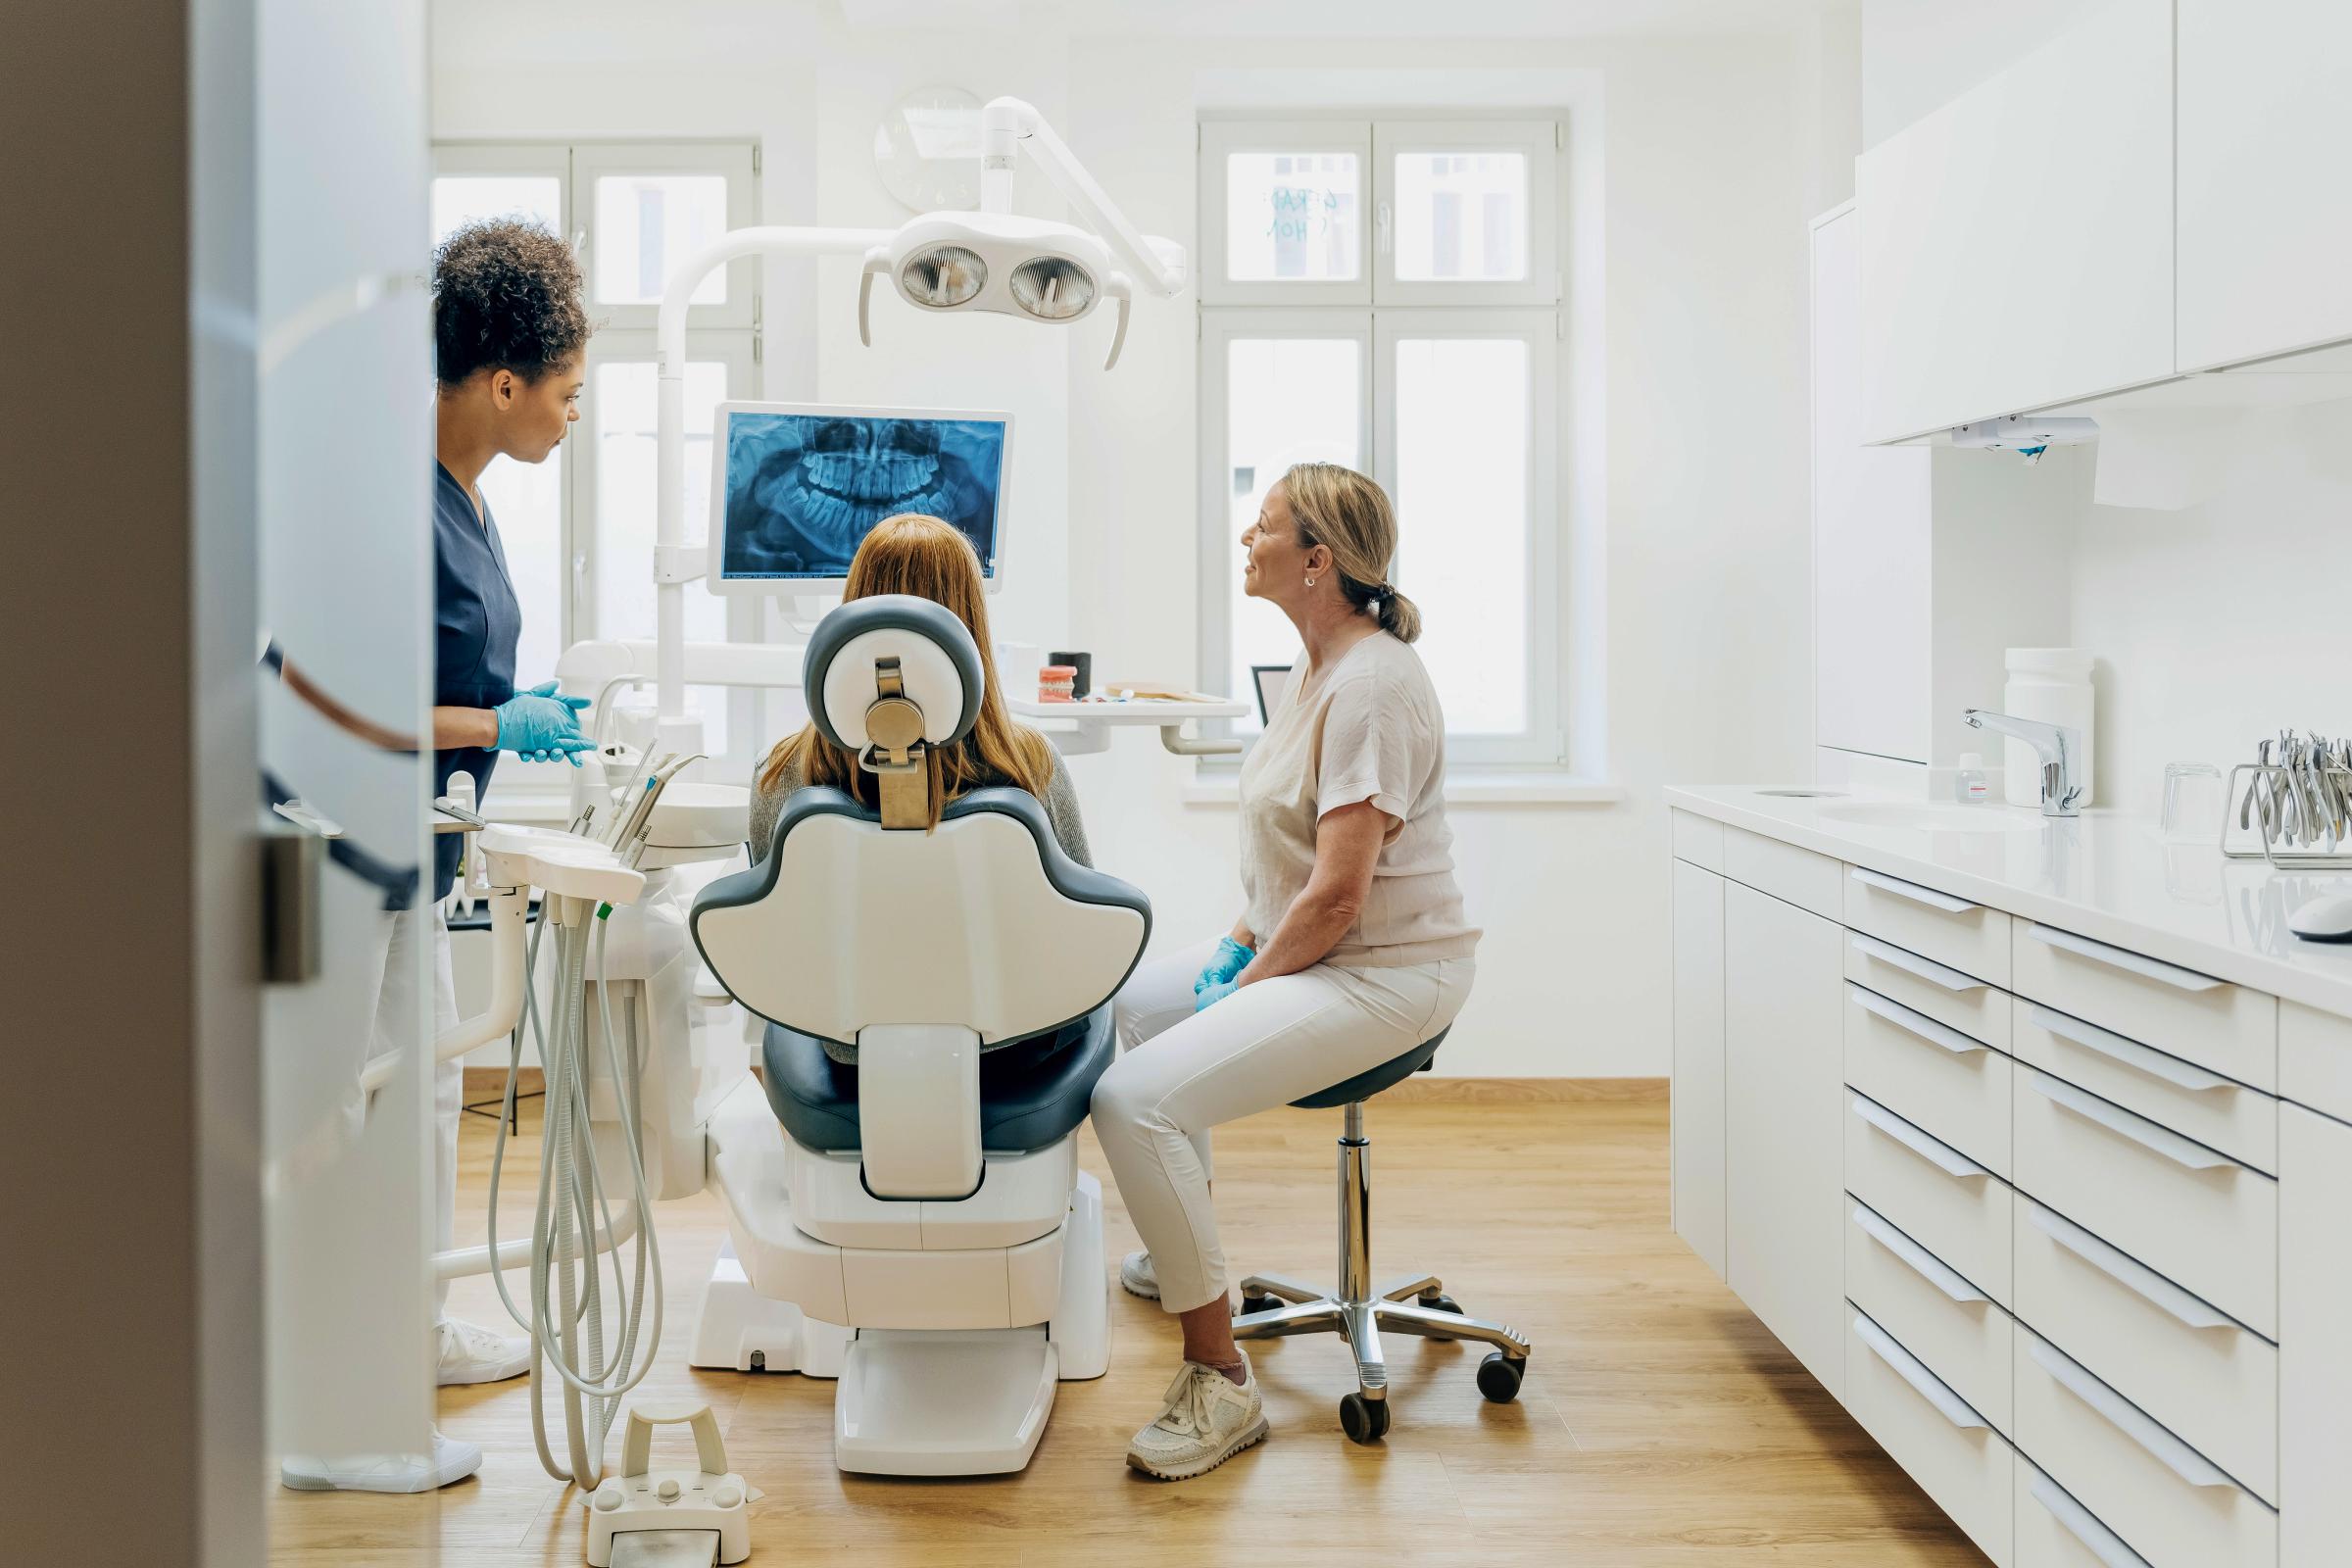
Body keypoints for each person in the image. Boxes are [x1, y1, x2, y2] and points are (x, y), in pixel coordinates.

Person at [278, 217, 596, 1495]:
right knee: (339, 1110)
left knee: (416, 1095)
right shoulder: (372, 491)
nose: (575, 414)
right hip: (334, 839)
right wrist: (491, 725)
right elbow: (306, 686)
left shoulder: (464, 495)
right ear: (502, 382)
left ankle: (399, 1334)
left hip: (419, 840)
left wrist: (505, 727)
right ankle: (329, 1419)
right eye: (566, 392)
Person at [1090, 463, 1479, 1482]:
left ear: (1319, 559)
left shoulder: (1376, 685)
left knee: (1134, 1102)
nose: (1246, 541)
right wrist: (1234, 940)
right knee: (1133, 1007)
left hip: (1387, 972)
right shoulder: (1317, 666)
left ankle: (1220, 1380)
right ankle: (1187, 1251)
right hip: (1325, 945)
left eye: (1263, 528)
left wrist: (1252, 981)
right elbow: (1291, 855)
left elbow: (1342, 895)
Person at [751, 512, 1093, 1062]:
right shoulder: (1031, 766)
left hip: (850, 1050)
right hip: (1017, 1043)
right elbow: (1078, 921)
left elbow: (777, 935)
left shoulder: (783, 773)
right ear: (970, 624)